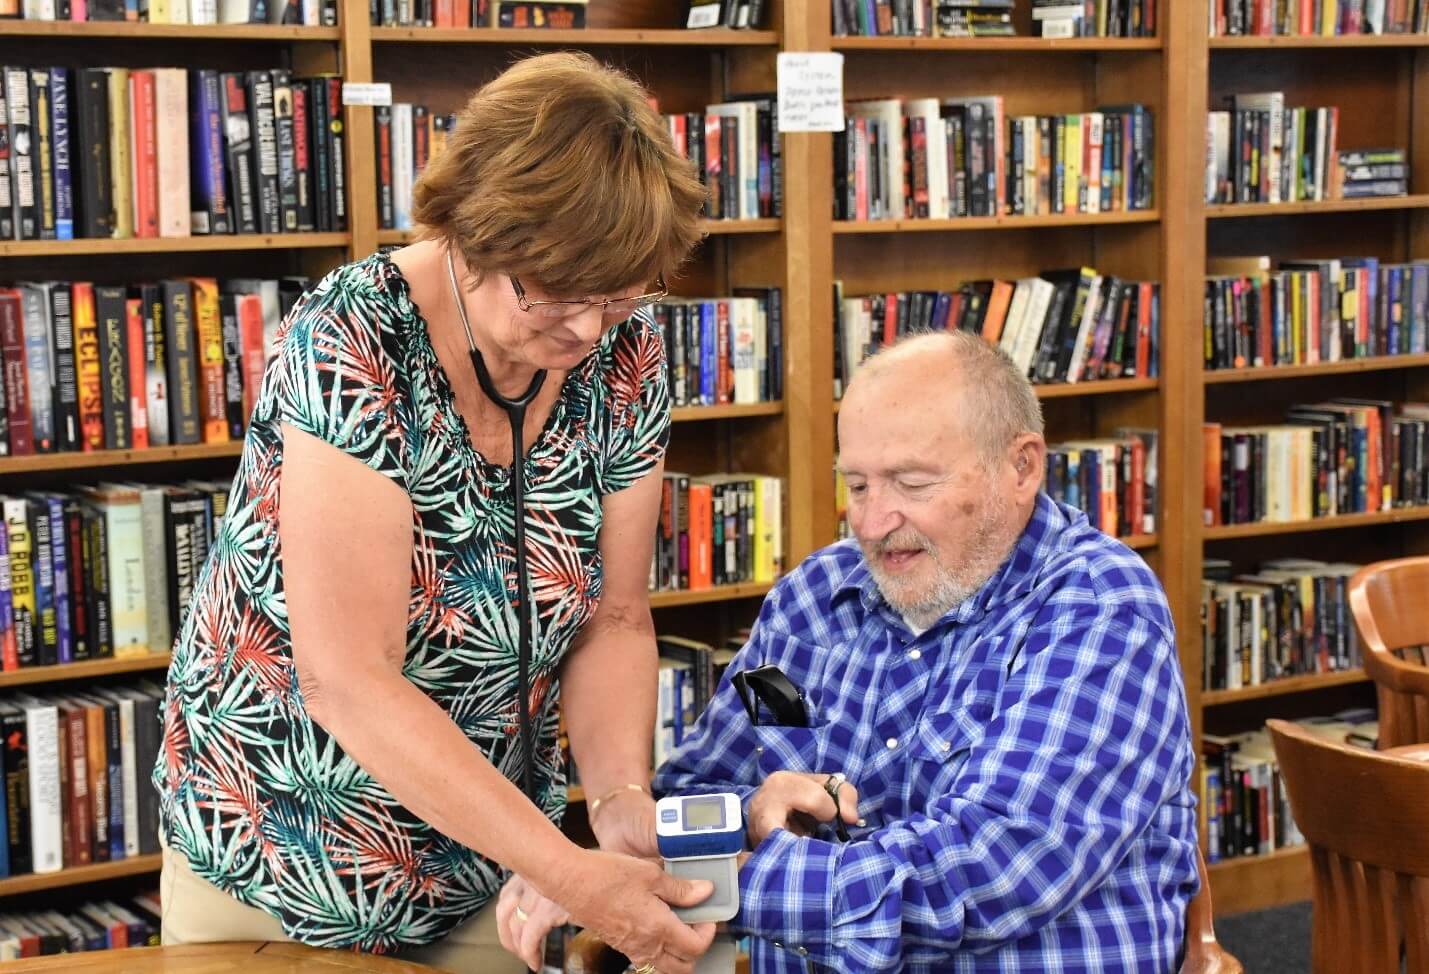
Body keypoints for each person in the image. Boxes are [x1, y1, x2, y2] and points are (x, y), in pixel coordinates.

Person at [152, 52, 717, 974]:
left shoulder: (625, 354)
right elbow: (350, 680)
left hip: (490, 858)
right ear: (474, 234)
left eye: (616, 298)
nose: (584, 332)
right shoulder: (353, 340)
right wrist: (572, 876)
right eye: (554, 294)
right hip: (285, 846)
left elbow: (614, 615)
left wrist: (616, 799)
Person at [643, 330, 1198, 971]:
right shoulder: (810, 602)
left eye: (911, 484)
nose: (873, 523)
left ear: (1021, 467)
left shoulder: (1100, 606)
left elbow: (991, 869)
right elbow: (689, 791)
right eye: (857, 487)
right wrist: (752, 811)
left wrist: (738, 881)